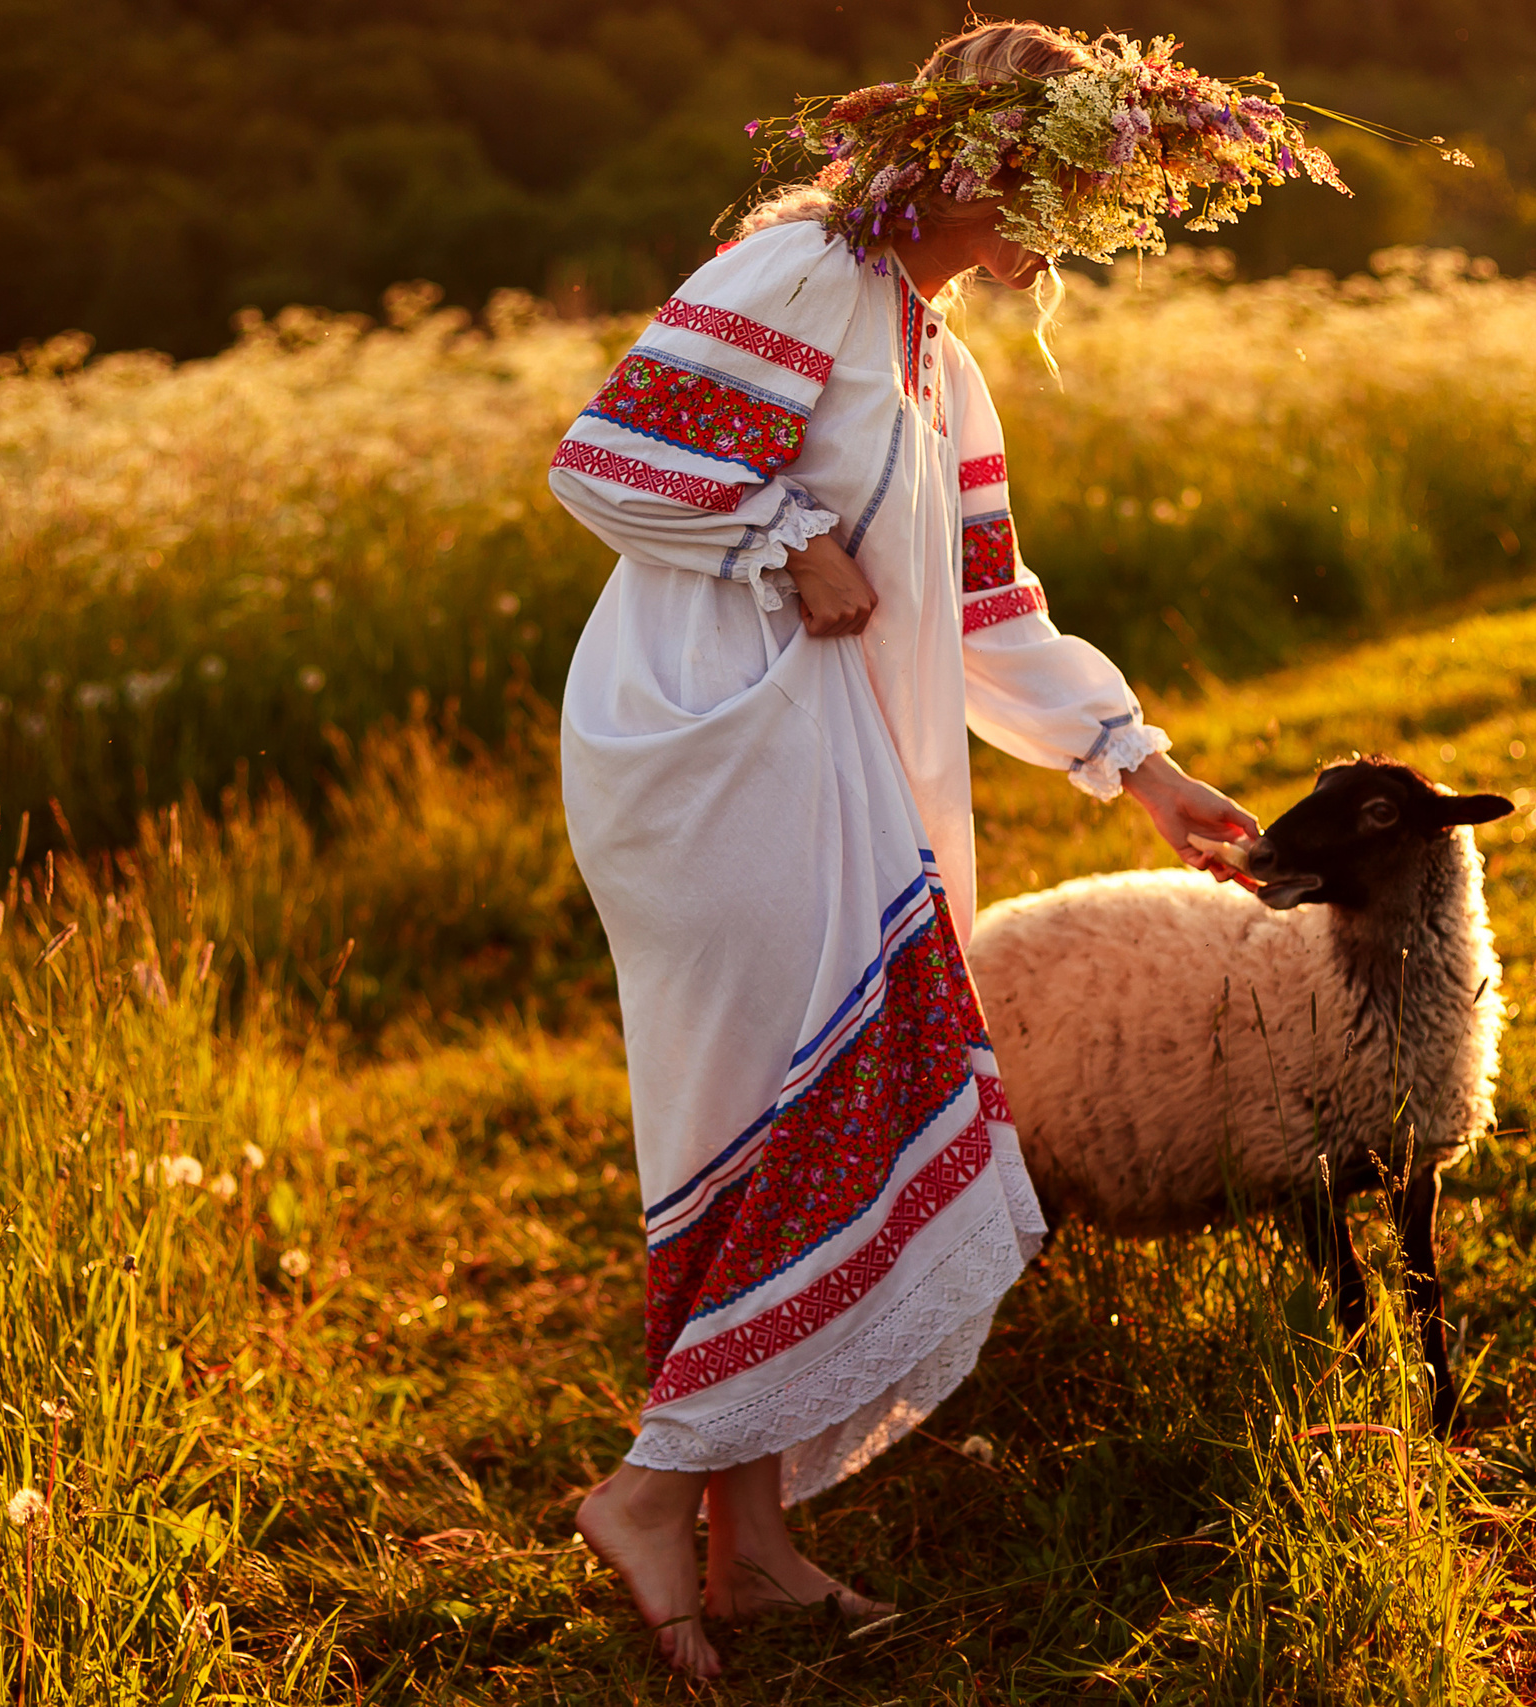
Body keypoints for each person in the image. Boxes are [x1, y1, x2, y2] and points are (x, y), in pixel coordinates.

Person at [545, 20, 1349, 1677]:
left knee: (811, 1104)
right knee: (784, 1103)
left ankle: (749, 1541)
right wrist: (782, 543)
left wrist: (1149, 773)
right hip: (723, 744)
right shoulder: (796, 276)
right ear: (976, 158)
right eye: (1063, 182)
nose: (1079, 223)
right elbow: (611, 458)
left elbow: (988, 608)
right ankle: (652, 1491)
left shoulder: (937, 354)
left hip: (836, 752)